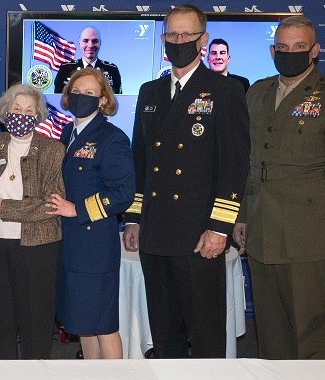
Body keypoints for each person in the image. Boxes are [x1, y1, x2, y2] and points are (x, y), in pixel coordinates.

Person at [233, 16, 325, 360]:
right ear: (272, 50)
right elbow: (247, 163)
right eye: (282, 48)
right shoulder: (257, 92)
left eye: (299, 47)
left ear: (315, 51)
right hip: (262, 232)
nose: (290, 53)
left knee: (308, 334)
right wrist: (240, 216)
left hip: (310, 235)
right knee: (269, 332)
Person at [122, 4, 250, 359]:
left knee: (205, 333)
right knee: (164, 333)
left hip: (199, 235)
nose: (178, 41)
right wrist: (134, 217)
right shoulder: (150, 91)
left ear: (203, 40)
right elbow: (140, 161)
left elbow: (235, 165)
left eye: (186, 35)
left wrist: (220, 227)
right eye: (171, 35)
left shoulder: (225, 91)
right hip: (156, 231)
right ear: (163, 38)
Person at [0, 84, 64, 359]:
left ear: (38, 115)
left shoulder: (52, 150)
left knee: (36, 321)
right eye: (16, 109)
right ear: (4, 112)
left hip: (39, 246)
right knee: (0, 319)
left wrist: (5, 207)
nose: (21, 115)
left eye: (28, 110)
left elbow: (52, 204)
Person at [48, 68, 134, 360]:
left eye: (89, 94)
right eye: (76, 92)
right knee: (84, 324)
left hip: (94, 244)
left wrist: (78, 208)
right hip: (69, 243)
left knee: (104, 325)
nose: (81, 98)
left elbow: (123, 193)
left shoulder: (112, 138)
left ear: (102, 100)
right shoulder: (68, 132)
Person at [54, 27, 122, 94]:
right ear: (79, 43)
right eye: (85, 41)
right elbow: (58, 98)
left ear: (100, 43)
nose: (90, 45)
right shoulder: (66, 68)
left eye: (95, 41)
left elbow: (118, 99)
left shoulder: (111, 69)